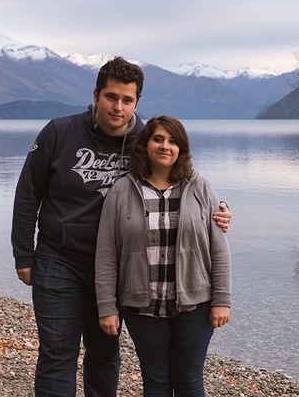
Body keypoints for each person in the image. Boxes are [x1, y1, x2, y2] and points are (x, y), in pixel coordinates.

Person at [11, 57, 232, 397]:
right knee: (57, 354)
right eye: (111, 97)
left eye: (127, 100)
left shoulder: (146, 140)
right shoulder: (59, 132)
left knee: (104, 354)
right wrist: (23, 253)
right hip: (60, 260)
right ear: (96, 94)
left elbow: (181, 180)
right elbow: (28, 193)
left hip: (120, 270)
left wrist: (219, 210)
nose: (118, 107)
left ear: (136, 103)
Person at [95, 115, 231, 397]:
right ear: (145, 145)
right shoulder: (122, 190)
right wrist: (106, 306)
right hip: (142, 307)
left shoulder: (199, 188)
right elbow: (106, 252)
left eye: (172, 141)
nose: (165, 146)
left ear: (181, 148)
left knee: (189, 382)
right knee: (155, 383)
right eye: (158, 139)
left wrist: (222, 301)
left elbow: (219, 249)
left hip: (195, 306)